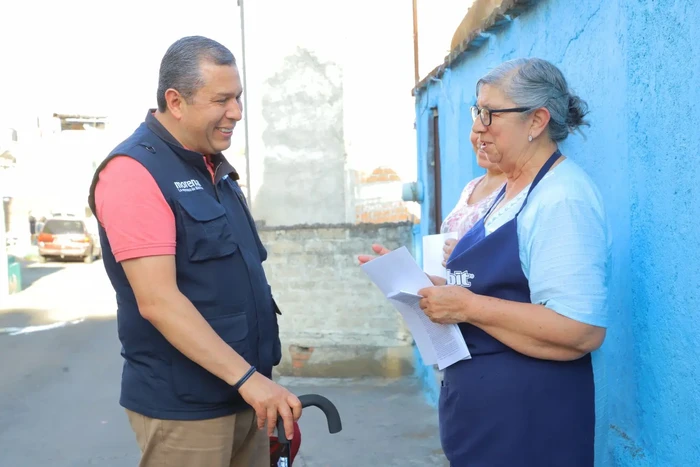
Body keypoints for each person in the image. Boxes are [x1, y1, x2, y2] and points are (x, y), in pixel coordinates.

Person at [359, 57, 610, 466]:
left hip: (530, 427)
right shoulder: (505, 192)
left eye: (490, 114)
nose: (477, 126)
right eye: (477, 111)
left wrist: (468, 306)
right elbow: (494, 288)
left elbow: (580, 331)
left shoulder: (561, 199)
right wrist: (429, 288)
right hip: (484, 422)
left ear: (536, 121)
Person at [87, 36, 301, 467]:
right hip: (187, 411)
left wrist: (256, 384)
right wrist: (247, 379)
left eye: (237, 97)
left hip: (246, 397)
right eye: (221, 99)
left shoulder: (212, 167)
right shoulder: (134, 172)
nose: (236, 112)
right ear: (176, 101)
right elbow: (158, 302)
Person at [439, 129, 506, 267]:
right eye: (477, 130)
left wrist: (468, 257)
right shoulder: (471, 186)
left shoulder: (516, 189)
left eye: (492, 132)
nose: (481, 139)